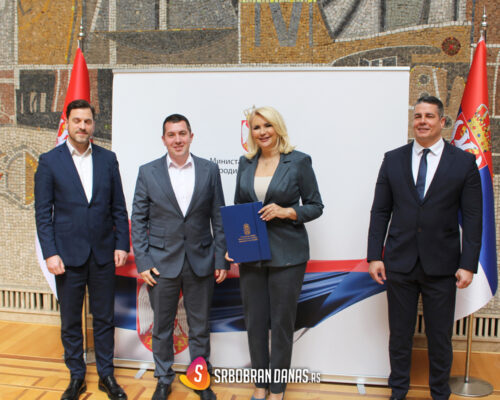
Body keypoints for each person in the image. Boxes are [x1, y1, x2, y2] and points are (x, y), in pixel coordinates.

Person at [367, 95, 482, 400]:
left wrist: (468, 264)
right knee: (400, 335)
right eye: (418, 116)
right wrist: (374, 256)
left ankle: (440, 393)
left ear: (442, 121)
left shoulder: (463, 162)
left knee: (439, 336)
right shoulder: (393, 159)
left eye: (429, 116)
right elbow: (380, 211)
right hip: (399, 262)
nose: (422, 121)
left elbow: (473, 218)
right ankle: (398, 391)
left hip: (442, 265)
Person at [34, 99, 130, 400]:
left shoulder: (108, 159)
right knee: (71, 320)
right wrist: (50, 253)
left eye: (87, 121)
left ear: (93, 124)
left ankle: (106, 375)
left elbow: (118, 207)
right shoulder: (50, 161)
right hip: (66, 256)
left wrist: (122, 244)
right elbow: (43, 214)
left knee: (104, 319)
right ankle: (76, 376)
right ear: (67, 122)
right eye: (77, 120)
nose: (82, 126)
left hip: (103, 254)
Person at [227, 106, 323, 400]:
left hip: (287, 255)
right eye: (256, 127)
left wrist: (287, 211)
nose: (262, 132)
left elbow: (316, 206)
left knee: (281, 324)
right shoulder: (245, 163)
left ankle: (278, 388)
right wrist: (234, 245)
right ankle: (260, 384)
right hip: (251, 254)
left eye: (267, 125)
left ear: (278, 127)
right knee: (254, 322)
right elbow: (239, 207)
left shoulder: (299, 161)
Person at [131, 114, 228, 400]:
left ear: (191, 136)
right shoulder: (148, 172)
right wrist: (143, 261)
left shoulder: (210, 170)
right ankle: (163, 378)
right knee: (162, 327)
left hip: (201, 260)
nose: (177, 139)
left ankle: (200, 378)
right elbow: (138, 220)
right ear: (163, 139)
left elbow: (219, 218)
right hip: (161, 264)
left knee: (199, 326)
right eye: (171, 135)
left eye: (182, 133)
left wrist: (220, 259)